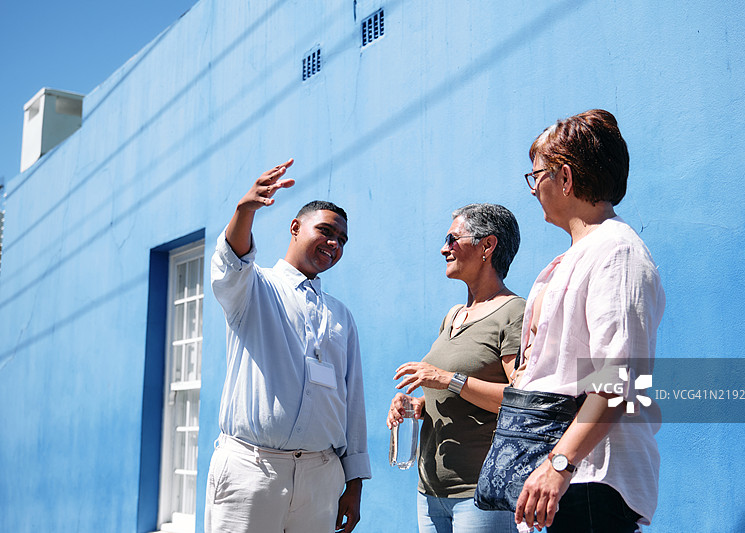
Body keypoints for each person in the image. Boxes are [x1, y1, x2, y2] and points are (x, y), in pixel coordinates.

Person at [512, 110, 665, 532]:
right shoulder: (570, 259)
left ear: (564, 178)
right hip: (561, 479)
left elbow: (616, 378)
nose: (533, 188)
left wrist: (559, 465)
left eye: (536, 175)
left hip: (590, 479)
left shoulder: (617, 252)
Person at [205, 159, 370, 533]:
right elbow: (231, 262)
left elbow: (352, 400)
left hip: (321, 476)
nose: (334, 244)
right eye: (326, 231)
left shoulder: (340, 314)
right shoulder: (254, 288)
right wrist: (244, 210)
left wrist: (354, 482)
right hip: (251, 470)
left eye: (341, 240)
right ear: (295, 228)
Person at [387, 203, 526, 533]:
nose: (443, 247)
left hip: (480, 494)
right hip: (430, 492)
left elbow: (521, 400)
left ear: (487, 246)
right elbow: (456, 396)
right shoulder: (452, 316)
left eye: (453, 238)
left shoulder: (513, 313)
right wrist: (417, 406)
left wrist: (447, 378)